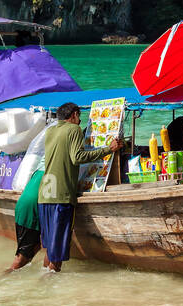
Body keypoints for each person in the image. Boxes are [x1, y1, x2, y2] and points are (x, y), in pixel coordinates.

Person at [38, 102, 124, 272]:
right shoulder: (74, 130)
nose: (80, 120)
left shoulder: (51, 131)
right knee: (58, 254)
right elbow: (77, 157)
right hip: (61, 195)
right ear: (75, 115)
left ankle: (43, 282)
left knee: (49, 248)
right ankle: (50, 286)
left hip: (45, 193)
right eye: (79, 117)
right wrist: (109, 148)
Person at [7, 167, 44, 271]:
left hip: (23, 206)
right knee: (22, 256)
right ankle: (6, 276)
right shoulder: (50, 172)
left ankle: (21, 271)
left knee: (35, 246)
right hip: (30, 210)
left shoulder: (38, 170)